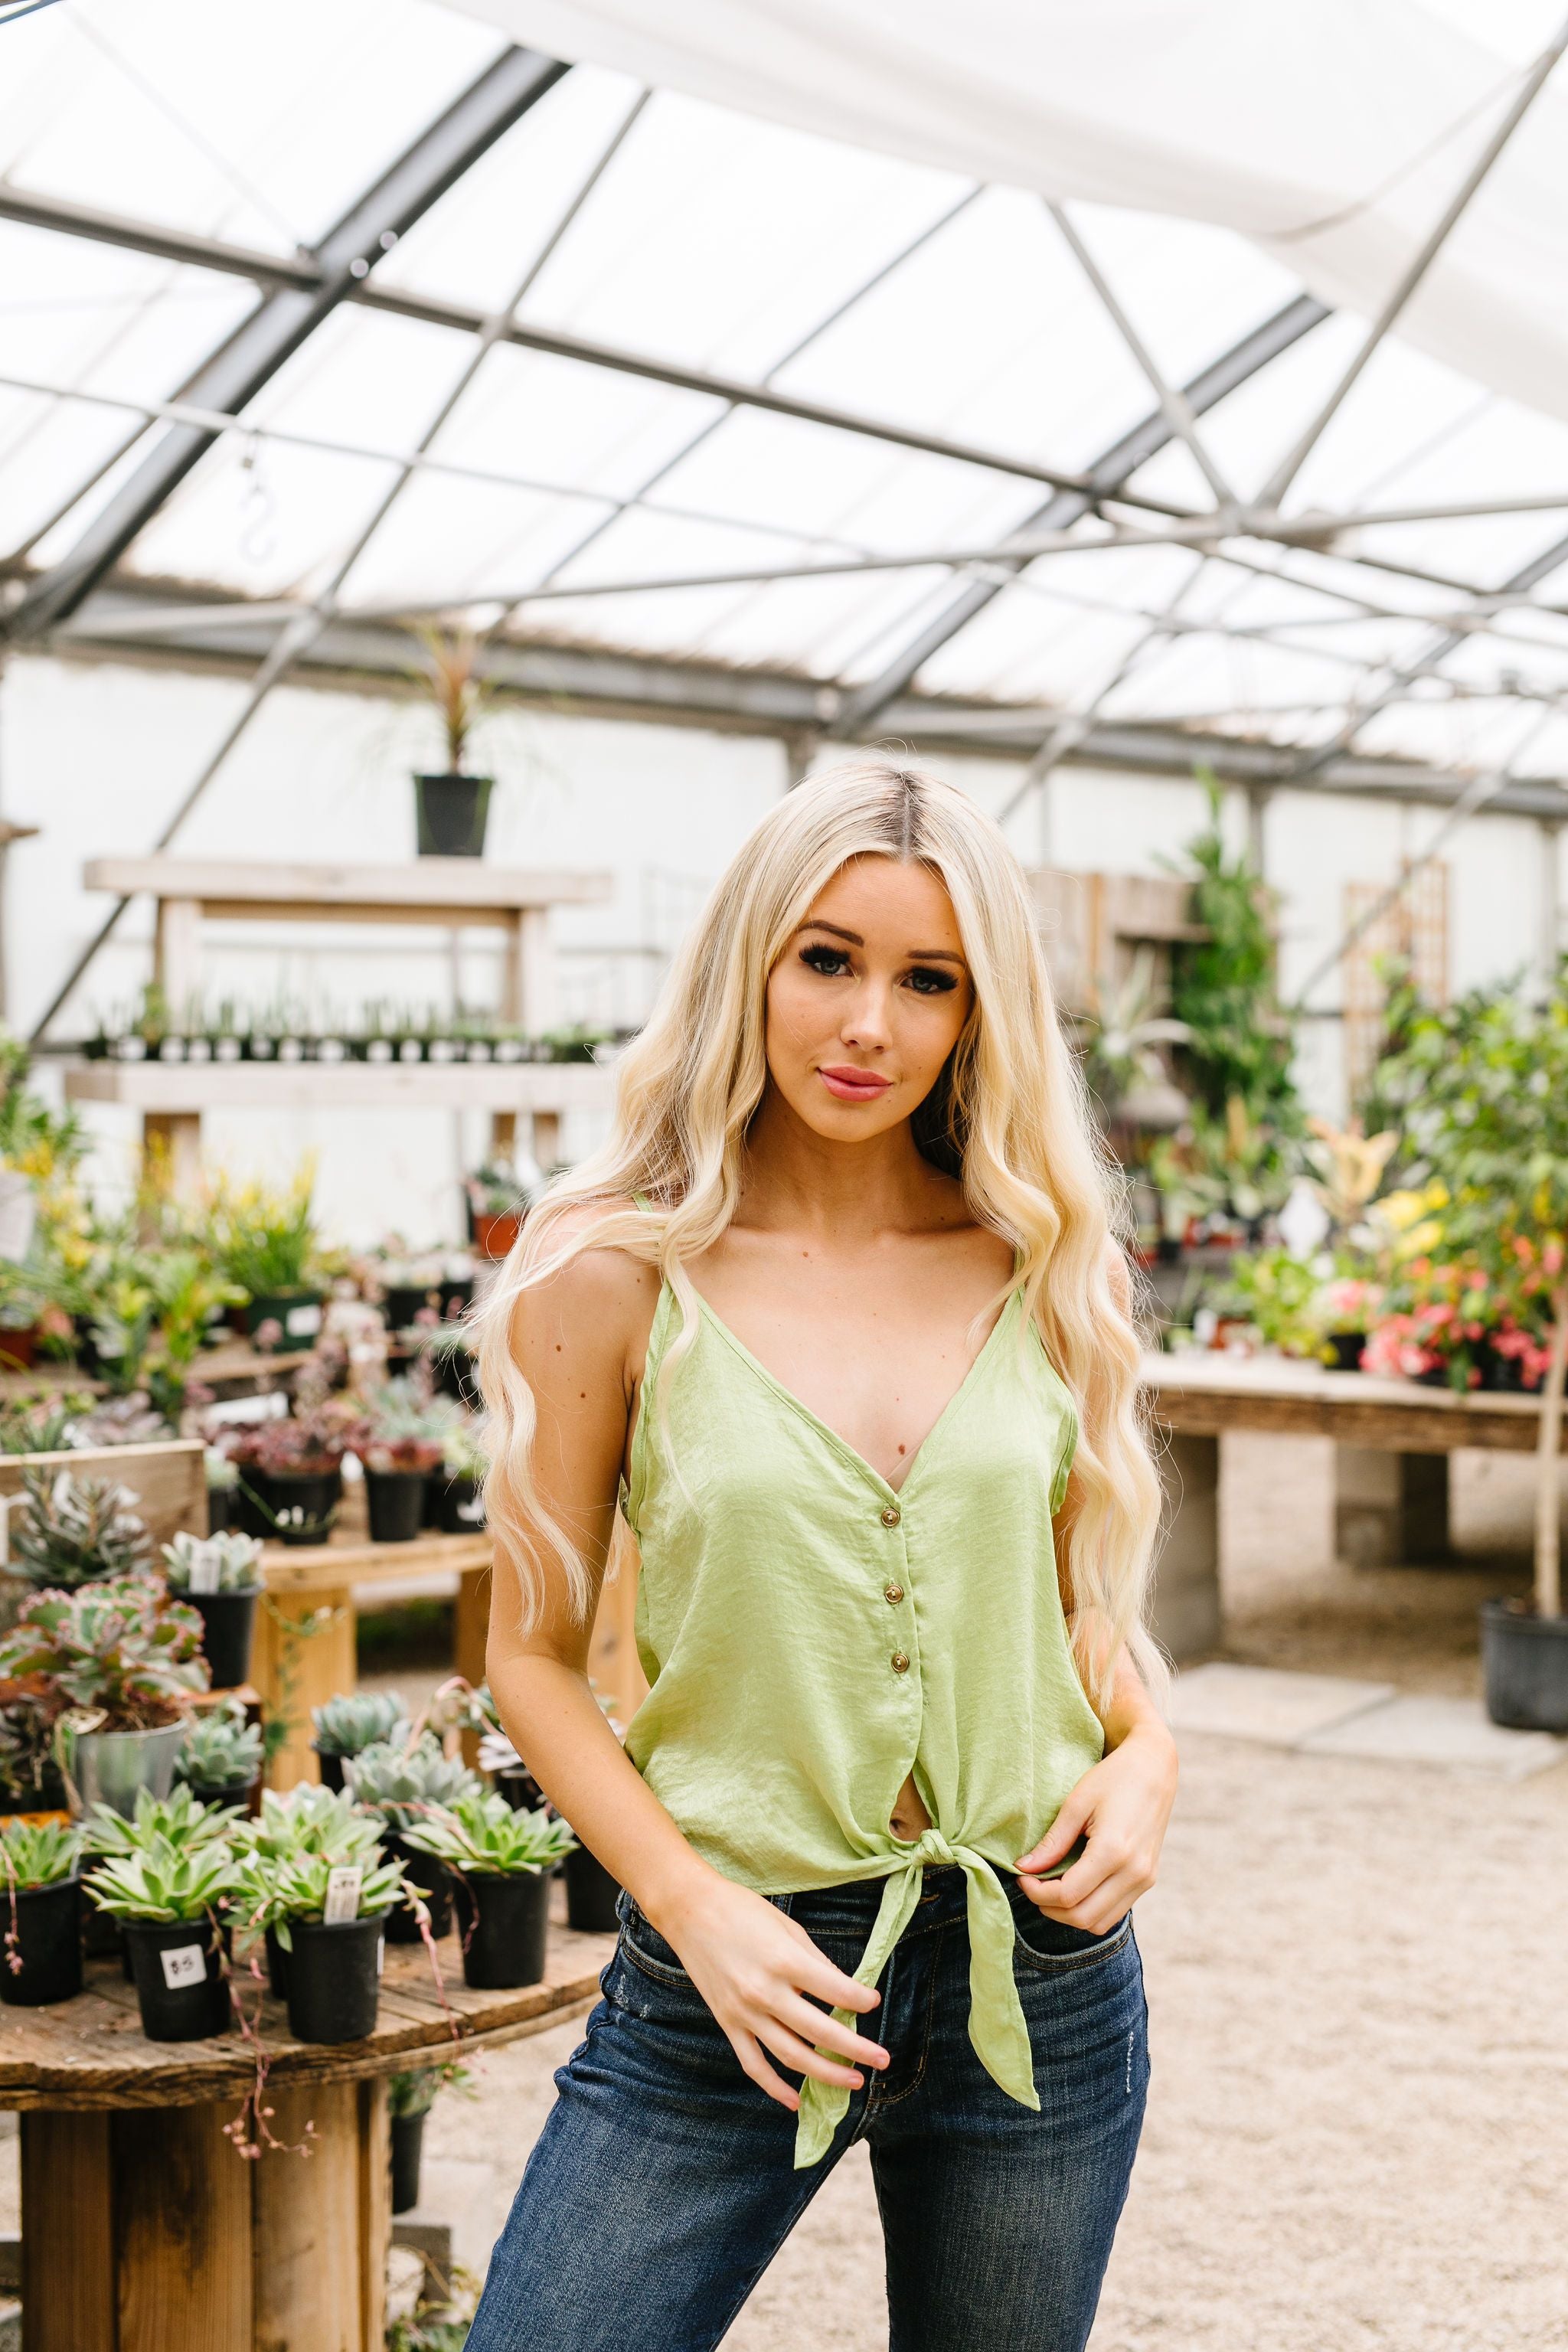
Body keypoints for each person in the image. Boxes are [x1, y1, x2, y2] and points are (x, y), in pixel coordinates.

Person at [466, 759, 1177, 2352]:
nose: (869, 1025)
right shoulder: (610, 1272)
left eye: (929, 980)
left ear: (980, 1012)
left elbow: (1069, 1600)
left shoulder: (1037, 1258)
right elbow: (531, 1656)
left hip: (1039, 1970)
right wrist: (691, 1907)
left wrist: (1151, 1751)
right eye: (828, 958)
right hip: (735, 1970)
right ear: (751, 960)